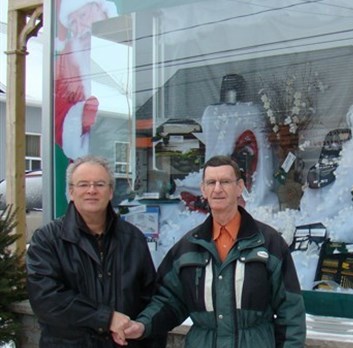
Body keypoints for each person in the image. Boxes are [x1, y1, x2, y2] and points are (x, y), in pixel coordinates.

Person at [118, 155, 306, 347]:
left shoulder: (268, 243)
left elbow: (290, 311)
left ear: (239, 187)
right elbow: (168, 301)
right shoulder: (188, 248)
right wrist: (143, 325)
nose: (217, 189)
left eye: (225, 182)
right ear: (203, 190)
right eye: (211, 182)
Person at [26, 155, 166, 347]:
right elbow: (46, 300)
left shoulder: (133, 239)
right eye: (83, 184)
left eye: (99, 184)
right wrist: (106, 318)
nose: (91, 191)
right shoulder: (47, 240)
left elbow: (150, 298)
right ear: (71, 192)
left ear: (110, 192)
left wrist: (141, 327)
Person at [54, 0, 117, 159]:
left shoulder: (131, 38)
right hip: (87, 163)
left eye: (82, 15)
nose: (80, 28)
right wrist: (81, 118)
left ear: (101, 9)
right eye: (73, 23)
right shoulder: (67, 58)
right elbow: (57, 117)